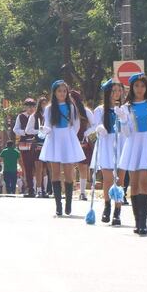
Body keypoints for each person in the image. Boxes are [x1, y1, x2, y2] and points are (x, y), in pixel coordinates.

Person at [38, 80, 85, 216]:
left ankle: (68, 204)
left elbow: (76, 125)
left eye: (64, 91)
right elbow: (47, 124)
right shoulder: (49, 108)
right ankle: (58, 205)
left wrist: (70, 137)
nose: (62, 93)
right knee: (56, 173)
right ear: (54, 92)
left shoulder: (72, 107)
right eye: (59, 91)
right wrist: (45, 129)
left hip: (68, 139)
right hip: (54, 139)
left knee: (69, 173)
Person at [117, 73, 147, 235]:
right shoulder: (126, 107)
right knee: (134, 182)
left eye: (143, 86)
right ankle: (137, 221)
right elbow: (126, 133)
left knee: (144, 182)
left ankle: (144, 221)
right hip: (133, 144)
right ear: (131, 88)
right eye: (136, 86)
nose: (140, 89)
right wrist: (123, 120)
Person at [91, 79, 126, 226]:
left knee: (120, 180)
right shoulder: (100, 109)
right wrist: (99, 127)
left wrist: (123, 117)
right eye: (113, 91)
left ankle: (117, 212)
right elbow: (95, 123)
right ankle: (107, 206)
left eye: (119, 90)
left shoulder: (124, 108)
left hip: (122, 144)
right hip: (106, 144)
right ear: (107, 93)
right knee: (107, 179)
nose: (116, 93)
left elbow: (129, 125)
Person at [70, 91, 93, 201]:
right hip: (70, 142)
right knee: (68, 166)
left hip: (83, 142)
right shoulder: (67, 111)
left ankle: (82, 192)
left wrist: (87, 133)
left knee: (83, 167)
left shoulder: (86, 111)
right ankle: (70, 189)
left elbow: (95, 125)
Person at [24, 97, 50, 198]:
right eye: (42, 104)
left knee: (47, 168)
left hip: (49, 144)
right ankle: (39, 190)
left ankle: (47, 190)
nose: (44, 106)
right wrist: (39, 131)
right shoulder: (34, 116)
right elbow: (27, 130)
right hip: (38, 144)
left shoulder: (50, 116)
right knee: (38, 168)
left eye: (46, 104)